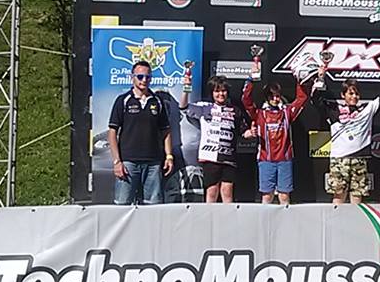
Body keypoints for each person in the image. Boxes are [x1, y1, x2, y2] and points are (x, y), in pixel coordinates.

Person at [312, 64, 380, 205]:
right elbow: (315, 99)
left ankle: (355, 220)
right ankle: (336, 220)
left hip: (359, 159)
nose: (354, 96)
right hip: (339, 160)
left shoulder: (366, 110)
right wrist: (320, 78)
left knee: (357, 197)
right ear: (343, 95)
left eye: (356, 94)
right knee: (338, 196)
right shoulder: (334, 110)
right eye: (350, 93)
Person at [108, 60, 173, 205]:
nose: (144, 80)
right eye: (140, 76)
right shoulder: (123, 100)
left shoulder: (157, 101)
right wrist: (117, 161)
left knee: (153, 206)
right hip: (128, 162)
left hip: (153, 163)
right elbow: (112, 132)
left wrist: (169, 156)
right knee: (122, 205)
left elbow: (166, 131)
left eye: (148, 77)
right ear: (132, 77)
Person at [181, 74, 251, 203]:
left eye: (223, 91)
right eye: (217, 91)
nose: (221, 94)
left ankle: (228, 216)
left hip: (229, 158)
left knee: (227, 192)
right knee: (212, 192)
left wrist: (251, 133)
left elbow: (243, 131)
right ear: (212, 93)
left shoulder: (235, 110)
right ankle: (209, 216)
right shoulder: (205, 107)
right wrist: (186, 88)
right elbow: (184, 107)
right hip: (210, 157)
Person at [242, 77, 310, 205]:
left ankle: (286, 219)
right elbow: (246, 101)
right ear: (266, 97)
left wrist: (300, 80)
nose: (275, 99)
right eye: (272, 96)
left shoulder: (287, 113)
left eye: (277, 96)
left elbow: (301, 99)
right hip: (266, 160)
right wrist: (250, 81)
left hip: (284, 160)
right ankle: (264, 218)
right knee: (267, 196)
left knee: (284, 196)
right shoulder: (259, 114)